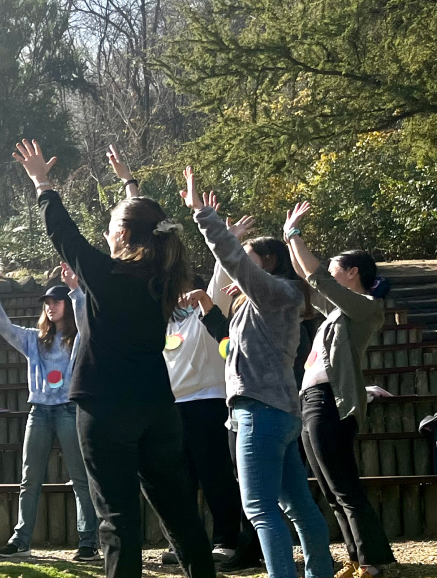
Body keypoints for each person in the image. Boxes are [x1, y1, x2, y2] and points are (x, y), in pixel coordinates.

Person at [13, 140, 214, 578]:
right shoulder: (164, 277)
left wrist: (42, 184)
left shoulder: (110, 278)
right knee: (179, 512)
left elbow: (64, 235)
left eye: (112, 226)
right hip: (159, 408)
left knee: (118, 521)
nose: (107, 232)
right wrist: (129, 185)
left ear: (122, 235)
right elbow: (144, 228)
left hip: (106, 409)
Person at [107, 146, 262, 572]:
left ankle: (226, 538)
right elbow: (143, 246)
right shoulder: (162, 316)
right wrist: (128, 184)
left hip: (209, 402)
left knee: (215, 476)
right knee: (181, 482)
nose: (180, 292)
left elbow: (219, 270)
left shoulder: (205, 310)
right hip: (172, 407)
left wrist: (227, 238)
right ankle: (186, 542)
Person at [184, 172, 333, 578]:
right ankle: (320, 572)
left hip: (260, 412)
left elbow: (232, 259)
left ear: (265, 262)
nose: (239, 268)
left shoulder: (274, 292)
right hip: (279, 412)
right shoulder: (269, 298)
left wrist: (203, 215)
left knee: (260, 508)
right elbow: (233, 347)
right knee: (295, 504)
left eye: (249, 258)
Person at [286, 202, 397, 578]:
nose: (329, 274)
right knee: (332, 490)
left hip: (330, 401)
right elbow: (310, 278)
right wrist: (289, 238)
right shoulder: (336, 312)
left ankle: (372, 561)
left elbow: (318, 278)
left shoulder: (367, 306)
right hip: (311, 401)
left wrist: (294, 235)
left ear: (352, 273)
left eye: (336, 269)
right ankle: (355, 559)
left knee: (345, 486)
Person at [0, 263, 100, 562]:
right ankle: (21, 539)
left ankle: (88, 542)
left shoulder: (79, 338)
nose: (50, 307)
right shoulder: (34, 338)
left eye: (56, 301)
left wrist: (75, 289)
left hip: (68, 410)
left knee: (80, 478)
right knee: (29, 478)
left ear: (67, 304)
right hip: (38, 411)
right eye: (47, 303)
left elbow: (87, 315)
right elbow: (5, 328)